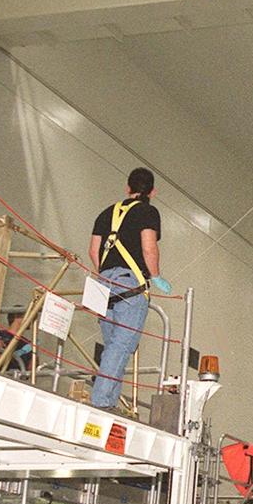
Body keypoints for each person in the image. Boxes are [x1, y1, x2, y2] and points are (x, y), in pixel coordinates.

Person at [89, 168, 171, 409]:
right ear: (153, 192)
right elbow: (149, 247)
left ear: (128, 188)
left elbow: (94, 251)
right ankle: (101, 401)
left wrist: (107, 275)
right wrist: (155, 276)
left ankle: (108, 399)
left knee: (112, 345)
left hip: (103, 284)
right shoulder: (148, 212)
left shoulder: (106, 213)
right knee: (122, 345)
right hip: (129, 284)